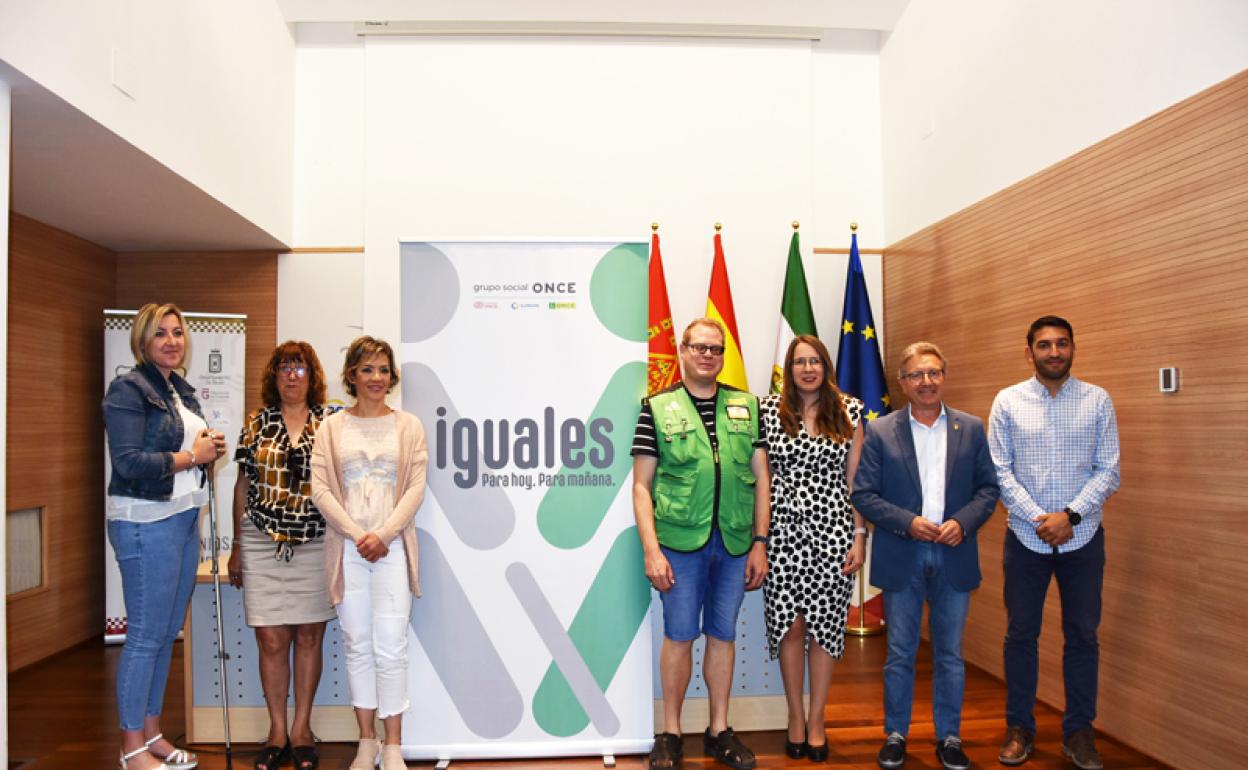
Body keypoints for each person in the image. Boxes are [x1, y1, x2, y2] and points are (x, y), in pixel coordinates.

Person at [851, 342, 999, 770]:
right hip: (904, 552)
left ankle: (949, 737)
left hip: (954, 553)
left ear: (944, 378)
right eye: (916, 374)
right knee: (900, 651)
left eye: (934, 372)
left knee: (950, 653)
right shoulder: (881, 431)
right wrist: (907, 522)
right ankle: (896, 735)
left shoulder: (971, 428)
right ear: (902, 382)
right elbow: (864, 493)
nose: (926, 381)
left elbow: (988, 489)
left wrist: (963, 523)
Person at [631, 317, 770, 770]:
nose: (708, 355)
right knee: (678, 636)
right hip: (678, 544)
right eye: (699, 347)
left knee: (722, 635)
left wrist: (760, 542)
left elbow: (762, 479)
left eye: (716, 349)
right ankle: (671, 732)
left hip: (733, 543)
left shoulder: (747, 405)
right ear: (683, 351)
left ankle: (718, 730)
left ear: (723, 355)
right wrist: (651, 550)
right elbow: (641, 486)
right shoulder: (656, 407)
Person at [988, 316, 1120, 770]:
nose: (1054, 352)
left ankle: (1079, 732)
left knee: (1083, 635)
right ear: (1029, 352)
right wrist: (1039, 519)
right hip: (1026, 539)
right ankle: (1019, 728)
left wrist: (1070, 516)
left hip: (1083, 539)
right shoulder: (1008, 401)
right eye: (1044, 345)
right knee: (1020, 634)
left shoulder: (1097, 400)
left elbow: (1109, 470)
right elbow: (1000, 471)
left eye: (1062, 344)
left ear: (1073, 348)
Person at [103, 302, 227, 770]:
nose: (172, 341)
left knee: (164, 633)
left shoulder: (180, 390)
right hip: (144, 522)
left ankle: (152, 732)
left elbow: (187, 448)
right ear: (142, 340)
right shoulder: (128, 389)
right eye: (160, 333)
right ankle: (131, 745)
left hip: (181, 518)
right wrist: (192, 457)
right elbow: (129, 461)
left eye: (177, 332)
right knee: (145, 636)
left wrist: (208, 449)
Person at [309, 336, 427, 770]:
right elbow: (321, 489)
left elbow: (415, 488)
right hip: (348, 549)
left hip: (392, 549)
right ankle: (367, 741)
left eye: (382, 369)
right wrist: (359, 534)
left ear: (391, 376)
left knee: (392, 645)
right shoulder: (330, 428)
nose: (376, 377)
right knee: (357, 644)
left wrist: (384, 534)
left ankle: (393, 744)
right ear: (351, 376)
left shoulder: (409, 426)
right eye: (367, 369)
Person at [229, 342, 337, 770]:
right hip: (261, 541)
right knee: (271, 639)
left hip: (315, 540)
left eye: (300, 368)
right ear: (274, 376)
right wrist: (237, 546)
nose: (292, 375)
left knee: (309, 636)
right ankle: (276, 731)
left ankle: (302, 729)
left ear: (313, 376)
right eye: (285, 367)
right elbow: (242, 485)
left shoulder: (329, 422)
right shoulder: (256, 422)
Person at [760, 335, 866, 763]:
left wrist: (860, 535)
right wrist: (759, 539)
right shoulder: (768, 411)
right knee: (790, 626)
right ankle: (795, 716)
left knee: (825, 628)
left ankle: (818, 718)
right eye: (800, 362)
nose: (808, 369)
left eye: (815, 361)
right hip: (782, 534)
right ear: (789, 368)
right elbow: (762, 478)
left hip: (833, 533)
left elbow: (856, 479)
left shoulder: (850, 410)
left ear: (826, 367)